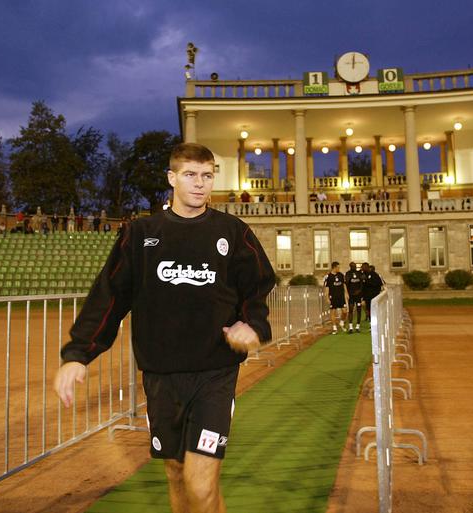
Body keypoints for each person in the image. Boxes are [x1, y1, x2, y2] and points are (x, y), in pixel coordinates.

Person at [54, 143, 275, 513]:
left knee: (201, 483)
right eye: (190, 175)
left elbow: (257, 285)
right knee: (175, 472)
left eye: (207, 175)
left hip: (214, 374)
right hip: (160, 374)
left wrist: (252, 324)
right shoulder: (142, 233)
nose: (200, 184)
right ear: (172, 178)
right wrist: (78, 354)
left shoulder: (233, 232)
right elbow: (110, 297)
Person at [323, 261, 347, 334]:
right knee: (333, 312)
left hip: (341, 296)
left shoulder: (341, 275)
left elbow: (344, 284)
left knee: (345, 311)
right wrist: (327, 297)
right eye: (338, 267)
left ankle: (342, 322)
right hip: (333, 296)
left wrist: (346, 293)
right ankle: (334, 327)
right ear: (334, 267)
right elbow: (327, 288)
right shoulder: (328, 277)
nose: (339, 268)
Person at [344, 261, 366, 333]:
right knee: (351, 310)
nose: (354, 267)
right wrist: (347, 293)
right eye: (352, 266)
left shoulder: (360, 274)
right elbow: (346, 284)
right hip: (351, 295)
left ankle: (357, 326)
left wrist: (360, 291)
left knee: (359, 310)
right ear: (350, 266)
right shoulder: (347, 274)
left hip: (358, 295)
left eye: (355, 266)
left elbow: (363, 284)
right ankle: (350, 327)